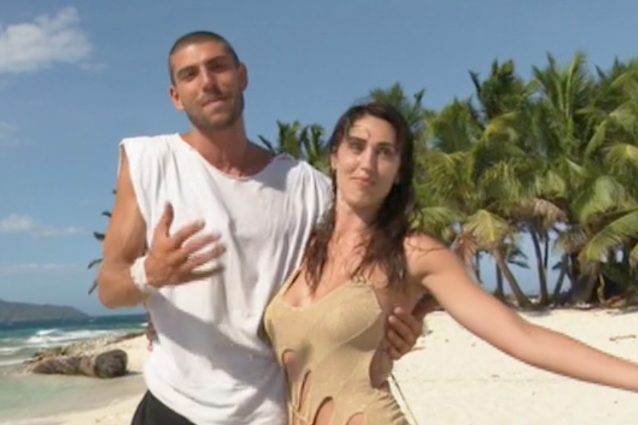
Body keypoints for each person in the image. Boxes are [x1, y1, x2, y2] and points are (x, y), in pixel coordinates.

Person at [97, 31, 424, 425]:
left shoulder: (307, 187)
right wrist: (151, 273)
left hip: (267, 411)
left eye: (218, 67)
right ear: (176, 97)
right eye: (190, 75)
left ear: (242, 76)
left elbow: (378, 264)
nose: (207, 82)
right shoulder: (150, 161)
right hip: (173, 405)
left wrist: (403, 323)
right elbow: (110, 288)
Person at [263, 101, 638, 425]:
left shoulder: (414, 253)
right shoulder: (303, 247)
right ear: (334, 156)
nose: (367, 163)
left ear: (398, 171)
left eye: (385, 152)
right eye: (356, 146)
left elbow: (522, 337)